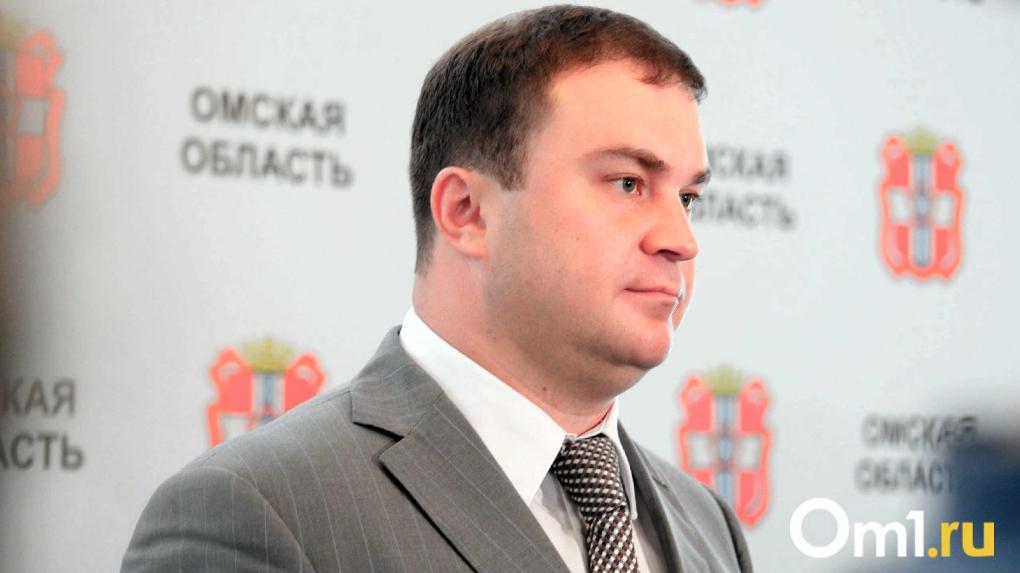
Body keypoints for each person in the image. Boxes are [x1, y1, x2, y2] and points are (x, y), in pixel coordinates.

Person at [122, 5, 753, 572]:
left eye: (687, 198)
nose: (681, 240)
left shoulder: (710, 528)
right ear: (466, 212)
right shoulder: (256, 512)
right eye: (627, 184)